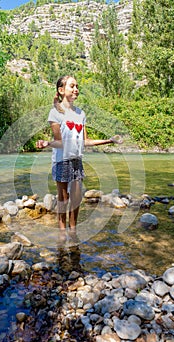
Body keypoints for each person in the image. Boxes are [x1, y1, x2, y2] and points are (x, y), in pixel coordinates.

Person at [36, 75, 123, 244]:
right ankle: (62, 230)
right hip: (62, 161)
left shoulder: (80, 114)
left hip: (77, 161)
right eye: (72, 86)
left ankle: (73, 230)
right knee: (63, 199)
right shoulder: (55, 112)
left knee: (76, 199)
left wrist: (109, 140)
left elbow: (85, 141)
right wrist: (47, 143)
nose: (76, 89)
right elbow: (59, 142)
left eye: (77, 86)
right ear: (61, 91)